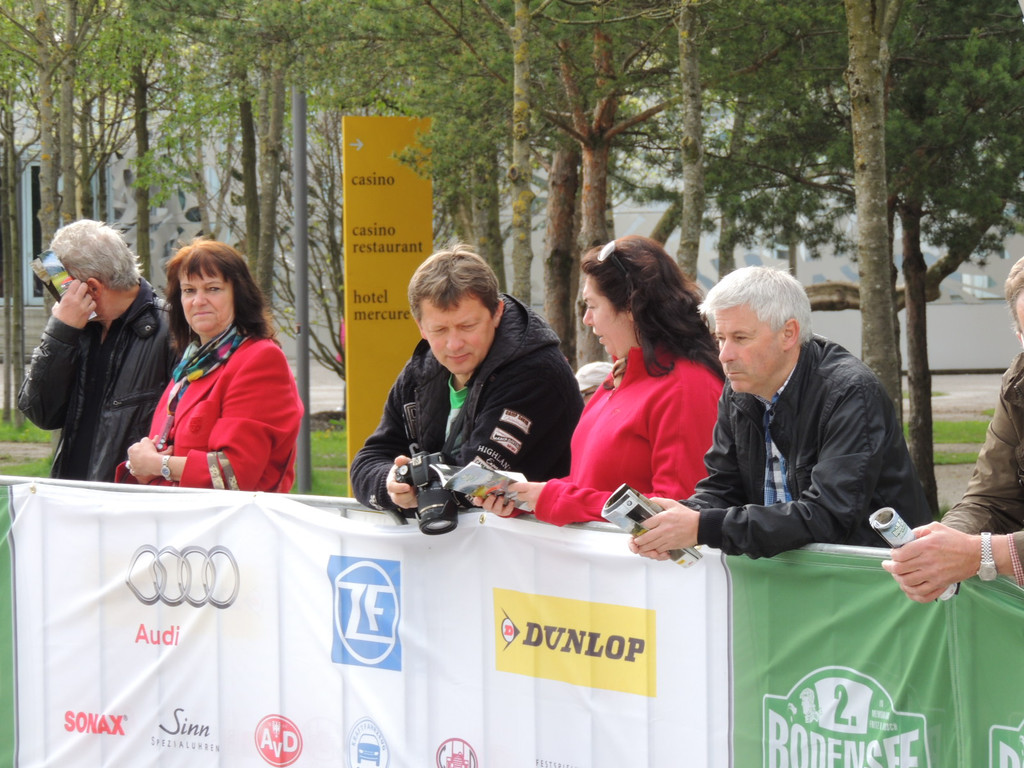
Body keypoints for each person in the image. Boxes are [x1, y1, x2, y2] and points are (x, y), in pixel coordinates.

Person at [630, 265, 931, 561]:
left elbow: (829, 516)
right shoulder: (739, 388)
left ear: (788, 334)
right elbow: (723, 488)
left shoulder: (849, 391)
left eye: (740, 338)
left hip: (877, 577)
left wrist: (702, 526)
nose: (724, 354)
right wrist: (676, 520)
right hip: (794, 572)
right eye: (720, 338)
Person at [477, 236, 725, 525]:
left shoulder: (687, 386)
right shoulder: (622, 374)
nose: (586, 319)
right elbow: (589, 483)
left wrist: (552, 499)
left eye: (592, 306)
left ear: (630, 307)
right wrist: (526, 498)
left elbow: (676, 512)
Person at [350, 244, 583, 514]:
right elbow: (367, 461)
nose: (454, 344)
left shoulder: (536, 372)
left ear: (497, 312)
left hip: (541, 538)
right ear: (420, 327)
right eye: (439, 329)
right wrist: (391, 483)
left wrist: (414, 483)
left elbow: (472, 481)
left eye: (467, 326)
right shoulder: (422, 369)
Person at [883, 256, 1024, 601]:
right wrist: (939, 546)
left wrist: (982, 553)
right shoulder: (1017, 387)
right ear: (1020, 336)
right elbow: (990, 498)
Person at [119, 239, 302, 491]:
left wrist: (159, 464)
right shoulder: (193, 365)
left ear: (239, 295)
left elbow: (235, 474)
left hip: (231, 515)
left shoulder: (260, 359)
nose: (198, 300)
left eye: (213, 289)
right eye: (189, 290)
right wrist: (141, 463)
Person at [18, 219, 174, 482]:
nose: (59, 297)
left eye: (60, 285)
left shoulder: (174, 330)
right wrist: (60, 333)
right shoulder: (75, 328)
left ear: (92, 287)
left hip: (126, 499)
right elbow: (41, 414)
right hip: (70, 494)